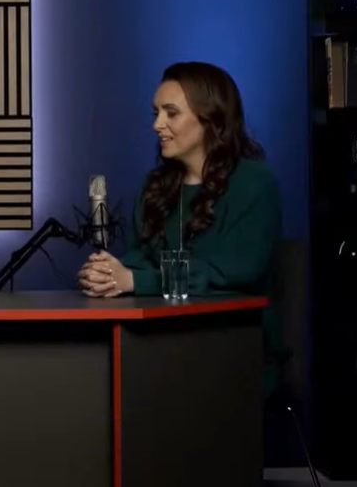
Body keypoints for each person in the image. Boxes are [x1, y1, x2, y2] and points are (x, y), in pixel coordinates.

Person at [76, 61, 284, 392]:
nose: (157, 124)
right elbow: (140, 259)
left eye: (171, 113)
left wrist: (133, 280)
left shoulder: (254, 183)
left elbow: (231, 272)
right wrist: (107, 274)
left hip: (234, 350)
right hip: (161, 346)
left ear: (210, 118)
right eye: (156, 113)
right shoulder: (155, 186)